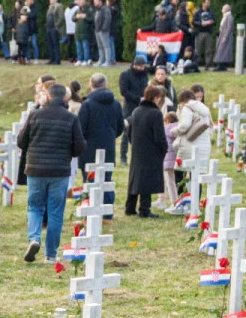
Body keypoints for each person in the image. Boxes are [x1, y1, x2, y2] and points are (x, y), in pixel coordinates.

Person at [16, 84, 85, 262]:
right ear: (65, 98)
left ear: (47, 96)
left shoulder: (35, 115)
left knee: (35, 207)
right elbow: (79, 148)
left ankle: (34, 238)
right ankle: (51, 254)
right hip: (59, 171)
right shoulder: (71, 118)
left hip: (36, 168)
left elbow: (21, 141)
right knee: (55, 211)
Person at [125, 86, 168, 216]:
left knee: (135, 177)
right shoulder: (156, 113)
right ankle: (144, 209)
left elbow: (129, 132)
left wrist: (135, 144)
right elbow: (159, 136)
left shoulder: (136, 111)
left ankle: (130, 207)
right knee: (146, 179)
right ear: (155, 97)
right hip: (151, 151)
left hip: (137, 149)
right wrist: (163, 148)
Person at [170, 85, 212, 196]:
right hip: (203, 146)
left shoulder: (187, 107)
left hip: (189, 145)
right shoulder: (203, 108)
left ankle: (182, 199)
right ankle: (196, 201)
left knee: (179, 172)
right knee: (196, 176)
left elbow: (184, 125)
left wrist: (174, 131)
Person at [79, 72, 124, 176]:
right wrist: (111, 134)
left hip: (90, 147)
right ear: (105, 84)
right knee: (106, 179)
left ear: (90, 84)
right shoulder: (116, 104)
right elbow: (120, 127)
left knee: (90, 181)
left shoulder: (87, 104)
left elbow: (81, 128)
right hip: (108, 146)